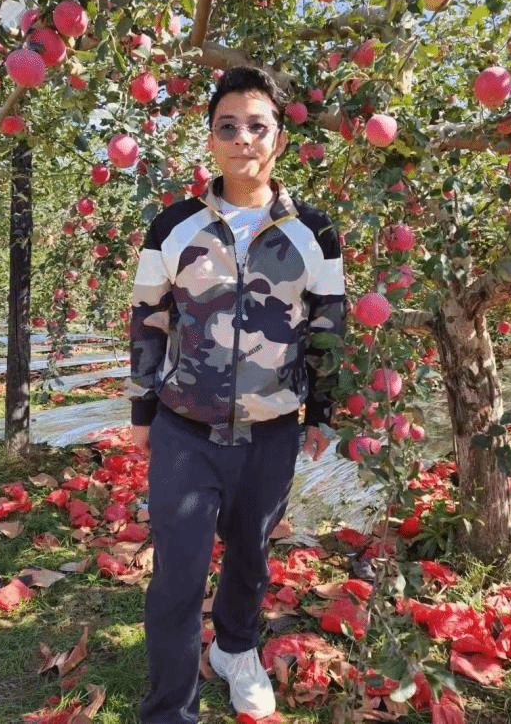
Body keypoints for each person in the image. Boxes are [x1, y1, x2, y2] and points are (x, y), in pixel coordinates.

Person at [127, 66, 346, 724]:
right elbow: (148, 319)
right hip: (184, 429)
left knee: (250, 558)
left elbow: (329, 328)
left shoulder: (315, 232)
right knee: (178, 575)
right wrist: (141, 411)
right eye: (228, 127)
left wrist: (322, 412)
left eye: (257, 125)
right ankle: (170, 709)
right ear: (211, 140)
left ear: (279, 138)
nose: (242, 138)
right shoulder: (173, 225)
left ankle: (235, 649)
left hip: (271, 430)